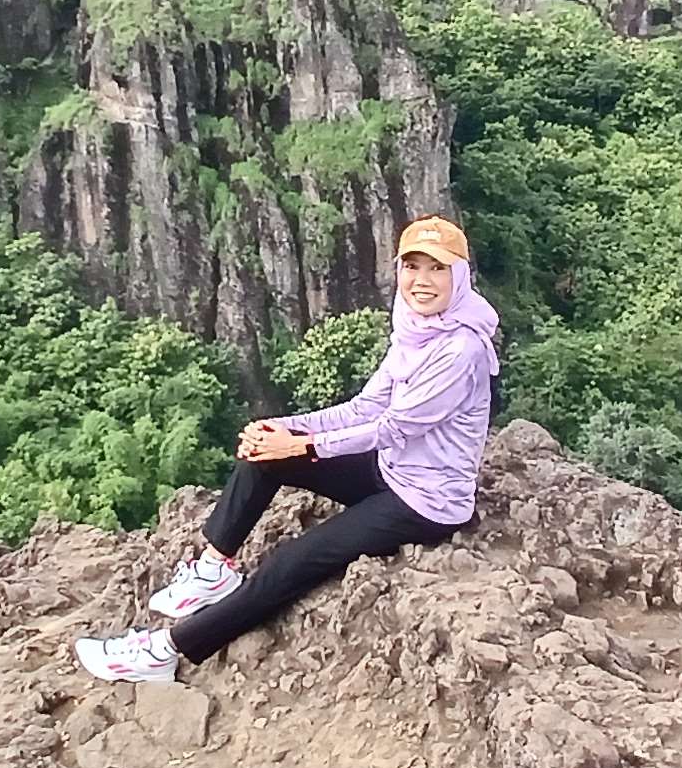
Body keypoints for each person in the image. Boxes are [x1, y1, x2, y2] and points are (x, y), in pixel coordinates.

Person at [74, 214, 502, 683]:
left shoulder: (460, 349)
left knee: (294, 561)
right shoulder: (414, 327)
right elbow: (366, 406)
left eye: (437, 269)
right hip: (388, 472)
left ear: (459, 277)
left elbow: (394, 427)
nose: (422, 280)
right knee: (264, 456)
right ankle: (215, 568)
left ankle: (164, 650)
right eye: (412, 266)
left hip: (426, 503)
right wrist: (281, 430)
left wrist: (305, 447)